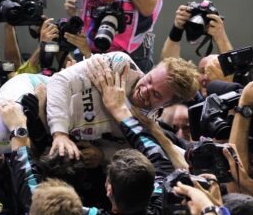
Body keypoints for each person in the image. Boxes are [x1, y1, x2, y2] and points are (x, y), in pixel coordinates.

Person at [48, 51, 199, 159]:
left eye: (156, 94)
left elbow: (125, 148)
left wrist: (102, 154)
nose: (145, 90)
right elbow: (59, 81)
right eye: (149, 80)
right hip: (36, 98)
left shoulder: (147, 124)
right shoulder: (120, 65)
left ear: (167, 104)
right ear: (152, 69)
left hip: (56, 143)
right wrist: (60, 133)